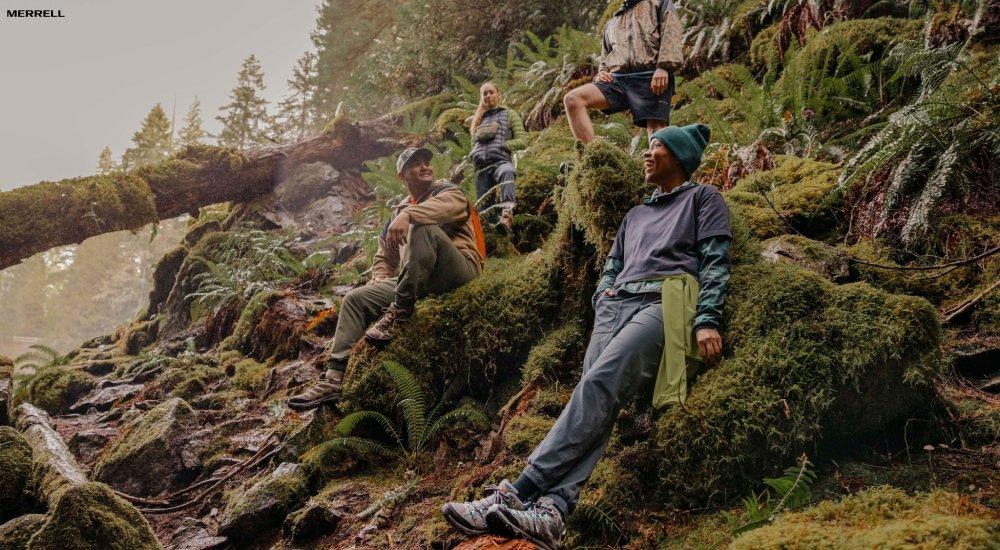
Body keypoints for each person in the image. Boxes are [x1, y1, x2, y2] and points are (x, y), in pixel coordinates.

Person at [441, 124, 731, 550]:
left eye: (656, 146)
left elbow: (715, 260)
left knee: (599, 384)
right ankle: (553, 511)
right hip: (616, 305)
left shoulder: (704, 198)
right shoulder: (635, 215)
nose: (647, 154)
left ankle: (517, 490)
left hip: (664, 303)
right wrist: (603, 293)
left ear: (680, 157)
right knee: (595, 398)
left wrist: (707, 319)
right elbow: (612, 263)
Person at [288, 147, 484, 411]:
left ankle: (400, 311)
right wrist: (379, 277)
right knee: (355, 299)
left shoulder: (448, 191)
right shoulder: (397, 213)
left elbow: (449, 208)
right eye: (416, 164)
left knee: (420, 226)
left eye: (426, 162)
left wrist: (409, 215)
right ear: (402, 175)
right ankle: (333, 378)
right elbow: (384, 257)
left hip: (459, 269)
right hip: (418, 278)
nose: (425, 167)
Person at [563, 0, 684, 144]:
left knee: (656, 134)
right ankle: (591, 154)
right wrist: (602, 72)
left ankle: (657, 157)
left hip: (650, 75)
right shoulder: (612, 22)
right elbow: (606, 56)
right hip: (618, 79)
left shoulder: (659, 3)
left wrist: (664, 67)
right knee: (572, 99)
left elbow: (671, 32)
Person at [469, 82, 527, 233]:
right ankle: (496, 233)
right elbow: (474, 144)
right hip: (481, 168)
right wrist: (472, 155)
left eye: (491, 92)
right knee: (484, 210)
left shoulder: (509, 114)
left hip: (501, 161)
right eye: (485, 94)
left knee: (508, 172)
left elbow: (522, 141)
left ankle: (507, 217)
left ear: (498, 94)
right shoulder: (478, 120)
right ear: (482, 98)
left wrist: (504, 145)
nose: (488, 96)